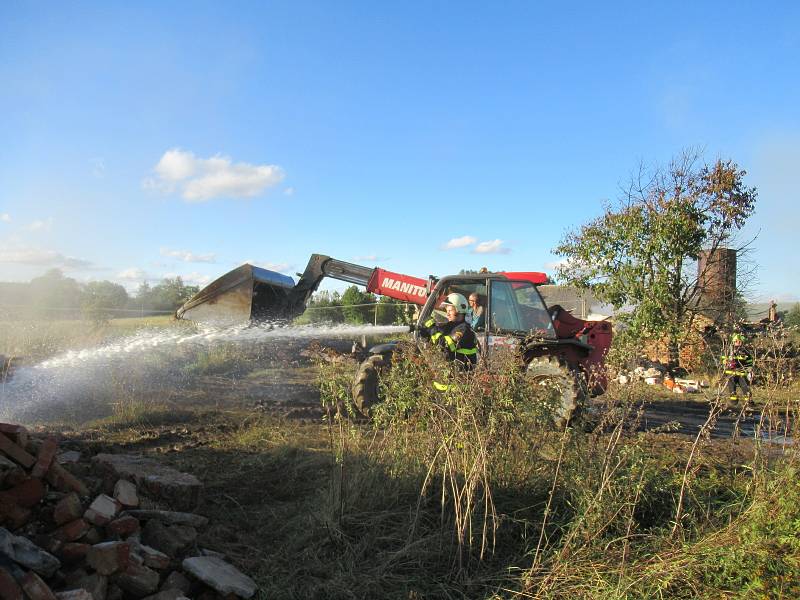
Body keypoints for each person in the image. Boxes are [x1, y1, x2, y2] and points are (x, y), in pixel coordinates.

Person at [419, 292, 479, 371]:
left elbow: (446, 344)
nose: (447, 314)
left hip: (459, 377)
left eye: (450, 311)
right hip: (448, 373)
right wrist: (424, 330)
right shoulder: (450, 326)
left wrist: (431, 328)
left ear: (459, 309)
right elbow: (436, 336)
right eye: (447, 311)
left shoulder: (464, 329)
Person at [721, 333, 754, 405]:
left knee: (746, 388)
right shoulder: (728, 351)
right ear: (733, 341)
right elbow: (723, 359)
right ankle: (733, 403)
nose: (738, 343)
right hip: (731, 374)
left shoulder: (745, 351)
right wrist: (725, 362)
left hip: (741, 374)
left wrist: (750, 370)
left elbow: (749, 362)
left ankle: (749, 402)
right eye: (736, 341)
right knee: (732, 390)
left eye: (740, 341)